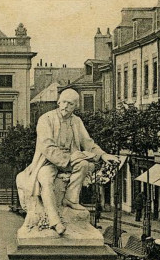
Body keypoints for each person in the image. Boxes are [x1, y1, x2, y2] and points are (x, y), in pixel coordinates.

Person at [15, 89, 119, 235]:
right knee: (46, 181)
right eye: (63, 102)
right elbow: (47, 147)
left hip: (70, 159)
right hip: (47, 161)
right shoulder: (46, 119)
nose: (65, 106)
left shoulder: (76, 121)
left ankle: (71, 198)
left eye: (70, 104)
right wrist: (69, 159)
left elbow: (88, 143)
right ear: (58, 102)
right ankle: (54, 221)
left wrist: (103, 155)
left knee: (83, 164)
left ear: (75, 106)